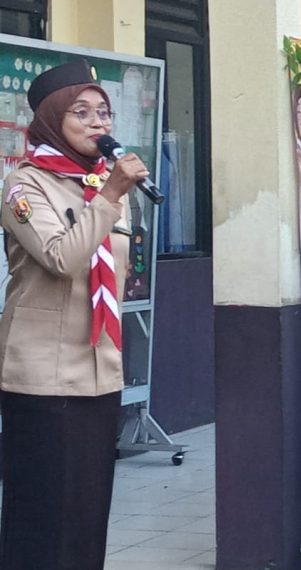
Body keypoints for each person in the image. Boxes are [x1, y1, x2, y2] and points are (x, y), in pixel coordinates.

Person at [0, 59, 149, 567]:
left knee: (87, 513)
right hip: (42, 375)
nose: (97, 122)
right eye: (81, 113)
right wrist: (109, 196)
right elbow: (62, 258)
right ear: (51, 118)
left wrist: (109, 193)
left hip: (98, 369)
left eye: (103, 113)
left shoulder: (103, 183)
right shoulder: (25, 186)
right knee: (44, 515)